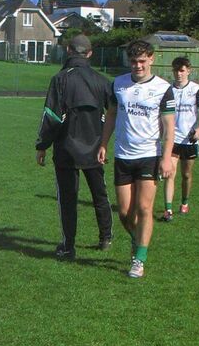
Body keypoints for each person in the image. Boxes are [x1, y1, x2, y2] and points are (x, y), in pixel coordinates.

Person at [99, 39, 175, 279]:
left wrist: (166, 158)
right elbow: (110, 115)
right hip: (123, 155)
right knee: (124, 213)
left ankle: (139, 259)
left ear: (151, 59)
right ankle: (138, 240)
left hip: (148, 156)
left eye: (142, 61)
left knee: (144, 208)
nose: (138, 66)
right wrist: (103, 144)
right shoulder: (118, 85)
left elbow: (169, 127)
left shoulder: (163, 88)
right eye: (133, 61)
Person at [34, 33, 112, 259]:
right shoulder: (102, 80)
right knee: (100, 195)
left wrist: (42, 145)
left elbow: (51, 116)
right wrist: (104, 142)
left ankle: (69, 246)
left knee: (68, 199)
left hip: (66, 149)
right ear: (89, 53)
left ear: (68, 51)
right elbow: (114, 112)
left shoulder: (60, 79)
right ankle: (105, 237)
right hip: (96, 148)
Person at [160, 57, 199, 221]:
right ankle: (168, 210)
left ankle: (184, 202)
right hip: (172, 140)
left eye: (181, 70)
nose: (178, 74)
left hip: (189, 140)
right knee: (170, 173)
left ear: (189, 70)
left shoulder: (196, 89)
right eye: (176, 70)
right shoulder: (167, 90)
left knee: (186, 174)